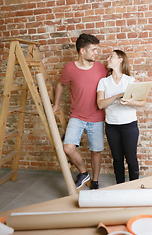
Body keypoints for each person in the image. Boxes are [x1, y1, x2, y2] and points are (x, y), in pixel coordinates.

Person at [52, 33, 108, 190]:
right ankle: (84, 173)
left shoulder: (101, 68)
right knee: (68, 148)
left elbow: (112, 81)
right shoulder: (69, 68)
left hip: (97, 117)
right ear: (82, 51)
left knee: (96, 151)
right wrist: (56, 104)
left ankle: (95, 182)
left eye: (96, 49)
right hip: (76, 116)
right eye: (93, 50)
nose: (96, 53)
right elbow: (60, 84)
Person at [97, 50, 146, 184]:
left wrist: (132, 102)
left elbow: (142, 102)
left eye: (111, 56)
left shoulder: (130, 81)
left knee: (131, 158)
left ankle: (134, 188)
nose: (108, 59)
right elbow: (100, 104)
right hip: (111, 126)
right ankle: (120, 186)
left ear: (120, 60)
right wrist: (118, 96)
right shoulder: (103, 82)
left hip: (129, 125)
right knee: (117, 159)